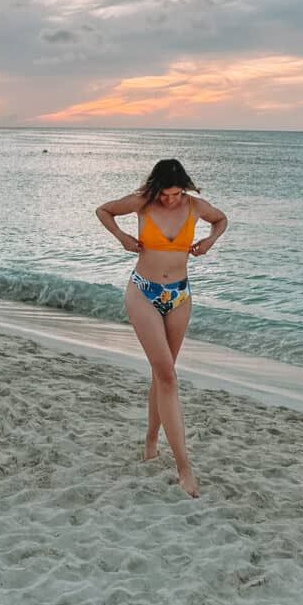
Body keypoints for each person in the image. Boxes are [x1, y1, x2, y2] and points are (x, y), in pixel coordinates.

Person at [95, 158, 228, 498]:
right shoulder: (142, 201)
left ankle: (151, 440)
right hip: (143, 291)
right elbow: (104, 210)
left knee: (162, 374)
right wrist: (122, 237)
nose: (170, 200)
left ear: (184, 188)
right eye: (165, 194)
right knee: (168, 376)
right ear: (156, 188)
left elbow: (221, 219)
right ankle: (184, 468)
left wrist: (210, 241)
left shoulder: (195, 206)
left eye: (175, 194)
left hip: (180, 296)